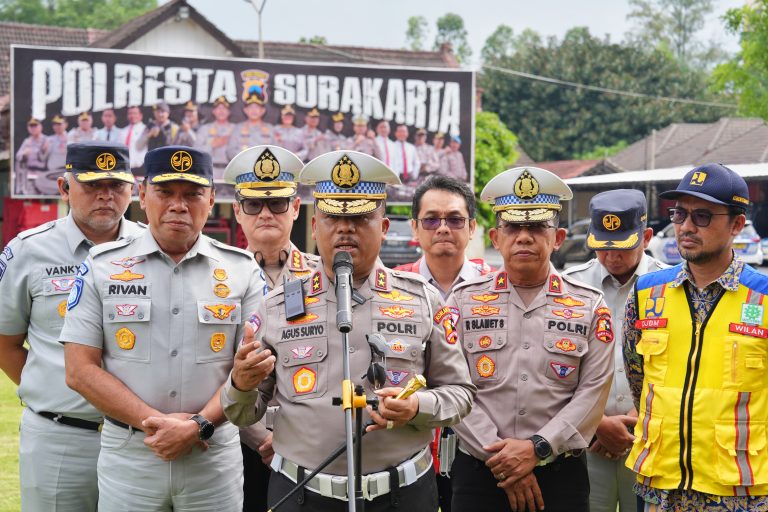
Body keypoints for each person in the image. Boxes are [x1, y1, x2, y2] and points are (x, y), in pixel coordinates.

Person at [222, 150, 476, 512]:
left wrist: (418, 406)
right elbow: (242, 412)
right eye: (332, 218)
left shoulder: (422, 299)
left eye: (360, 217)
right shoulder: (276, 306)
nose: (345, 229)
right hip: (302, 493)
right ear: (313, 226)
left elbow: (461, 393)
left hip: (402, 495)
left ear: (384, 227)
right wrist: (241, 384)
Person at [61, 146, 265, 511]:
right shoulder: (102, 266)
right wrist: (153, 423)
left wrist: (198, 425)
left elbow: (250, 369)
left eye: (192, 194)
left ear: (213, 199)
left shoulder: (242, 270)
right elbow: (79, 370)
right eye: (165, 192)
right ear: (142, 194)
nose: (178, 205)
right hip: (132, 456)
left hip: (212, 459)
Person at [448, 166, 614, 512]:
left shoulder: (589, 305)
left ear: (558, 238)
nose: (524, 237)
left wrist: (537, 448)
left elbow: (593, 393)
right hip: (481, 474)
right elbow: (449, 382)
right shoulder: (462, 302)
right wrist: (503, 458)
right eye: (513, 227)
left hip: (560, 476)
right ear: (496, 238)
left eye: (537, 227)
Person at [0, 141, 141, 511]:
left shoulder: (151, 247)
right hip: (59, 438)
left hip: (138, 438)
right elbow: (5, 341)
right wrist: (58, 387)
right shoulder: (28, 251)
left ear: (133, 189)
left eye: (116, 186)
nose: (106, 196)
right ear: (65, 188)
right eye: (93, 185)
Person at [623, 163, 768, 512]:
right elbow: (638, 378)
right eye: (680, 214)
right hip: (660, 490)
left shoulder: (762, 299)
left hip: (739, 494)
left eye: (702, 216)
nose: (686, 226)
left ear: (736, 224)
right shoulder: (646, 293)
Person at [224, 144, 319, 511]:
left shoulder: (322, 277)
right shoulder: (216, 278)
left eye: (278, 203)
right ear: (237, 211)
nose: (266, 212)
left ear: (296, 208)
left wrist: (287, 439)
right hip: (236, 442)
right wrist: (260, 437)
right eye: (253, 204)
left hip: (308, 445)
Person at [563, 189, 667, 512]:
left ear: (646, 236)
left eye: (621, 246)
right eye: (602, 247)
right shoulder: (571, 289)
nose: (611, 257)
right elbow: (557, 368)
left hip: (655, 440)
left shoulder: (671, 287)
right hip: (588, 443)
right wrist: (596, 423)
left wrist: (644, 418)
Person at [395, 175, 493, 512]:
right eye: (431, 219)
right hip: (414, 437)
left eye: (454, 219)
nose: (442, 228)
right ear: (415, 228)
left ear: (472, 228)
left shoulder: (496, 285)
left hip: (483, 445)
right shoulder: (394, 287)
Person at [196, 96, 236, 181]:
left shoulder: (236, 129)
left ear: (229, 112)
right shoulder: (205, 129)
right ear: (213, 111)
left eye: (224, 108)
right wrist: (212, 145)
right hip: (210, 170)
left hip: (231, 170)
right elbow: (196, 152)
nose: (221, 111)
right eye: (218, 108)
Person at [227, 94, 275, 160]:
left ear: (263, 110)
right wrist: (245, 159)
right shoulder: (238, 128)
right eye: (250, 107)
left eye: (257, 107)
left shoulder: (270, 129)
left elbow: (277, 151)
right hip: (243, 167)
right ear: (245, 110)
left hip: (265, 167)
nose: (254, 110)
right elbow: (230, 151)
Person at [15, 117, 48, 194]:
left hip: (43, 173)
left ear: (40, 127)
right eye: (31, 126)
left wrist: (43, 151)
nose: (33, 128)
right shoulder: (27, 141)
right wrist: (24, 154)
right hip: (29, 173)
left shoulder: (46, 140)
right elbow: (18, 156)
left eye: (35, 126)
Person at [123, 105, 148, 172]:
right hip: (124, 168)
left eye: (135, 113)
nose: (132, 116)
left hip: (140, 169)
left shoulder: (146, 129)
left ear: (140, 115)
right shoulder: (123, 131)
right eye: (130, 113)